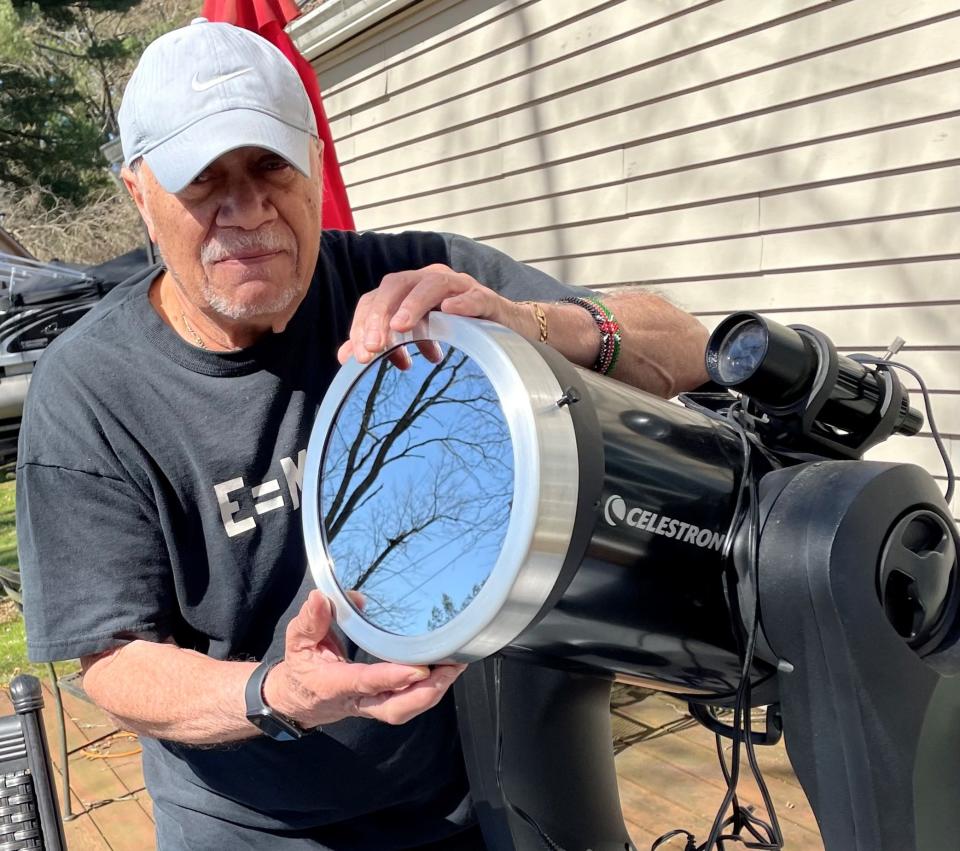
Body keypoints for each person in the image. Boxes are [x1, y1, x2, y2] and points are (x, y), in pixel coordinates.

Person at [17, 19, 709, 851]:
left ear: (313, 159)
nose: (247, 210)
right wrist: (277, 693)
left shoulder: (422, 287)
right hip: (256, 821)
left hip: (482, 784)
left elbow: (688, 349)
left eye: (270, 164)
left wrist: (528, 322)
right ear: (140, 194)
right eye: (204, 181)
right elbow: (117, 665)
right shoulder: (90, 392)